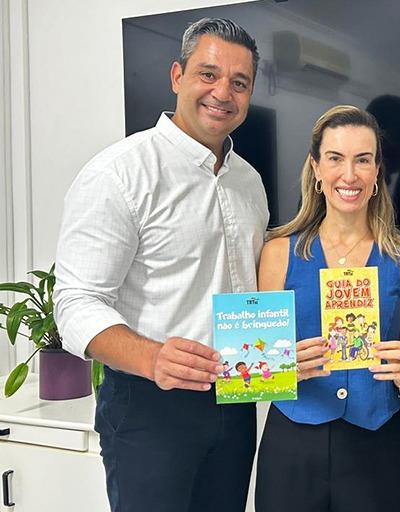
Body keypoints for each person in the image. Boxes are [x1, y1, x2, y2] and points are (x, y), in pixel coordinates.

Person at [53, 18, 267, 512]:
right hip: (149, 405)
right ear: (177, 76)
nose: (223, 93)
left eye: (239, 82)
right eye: (208, 75)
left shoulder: (249, 182)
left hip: (236, 400)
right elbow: (76, 302)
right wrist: (153, 358)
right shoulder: (119, 173)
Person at [255, 105, 400, 512]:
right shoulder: (278, 253)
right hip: (292, 446)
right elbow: (259, 367)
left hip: (377, 445)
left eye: (362, 160)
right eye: (335, 158)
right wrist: (278, 366)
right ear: (316, 168)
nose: (349, 175)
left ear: (377, 172)